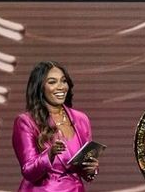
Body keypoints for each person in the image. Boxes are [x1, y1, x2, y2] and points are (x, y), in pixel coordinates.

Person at [12, 61, 99, 190]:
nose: (61, 87)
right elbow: (28, 171)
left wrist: (91, 169)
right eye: (52, 82)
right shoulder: (26, 122)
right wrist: (49, 154)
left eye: (63, 81)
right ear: (40, 87)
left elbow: (85, 171)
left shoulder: (81, 119)